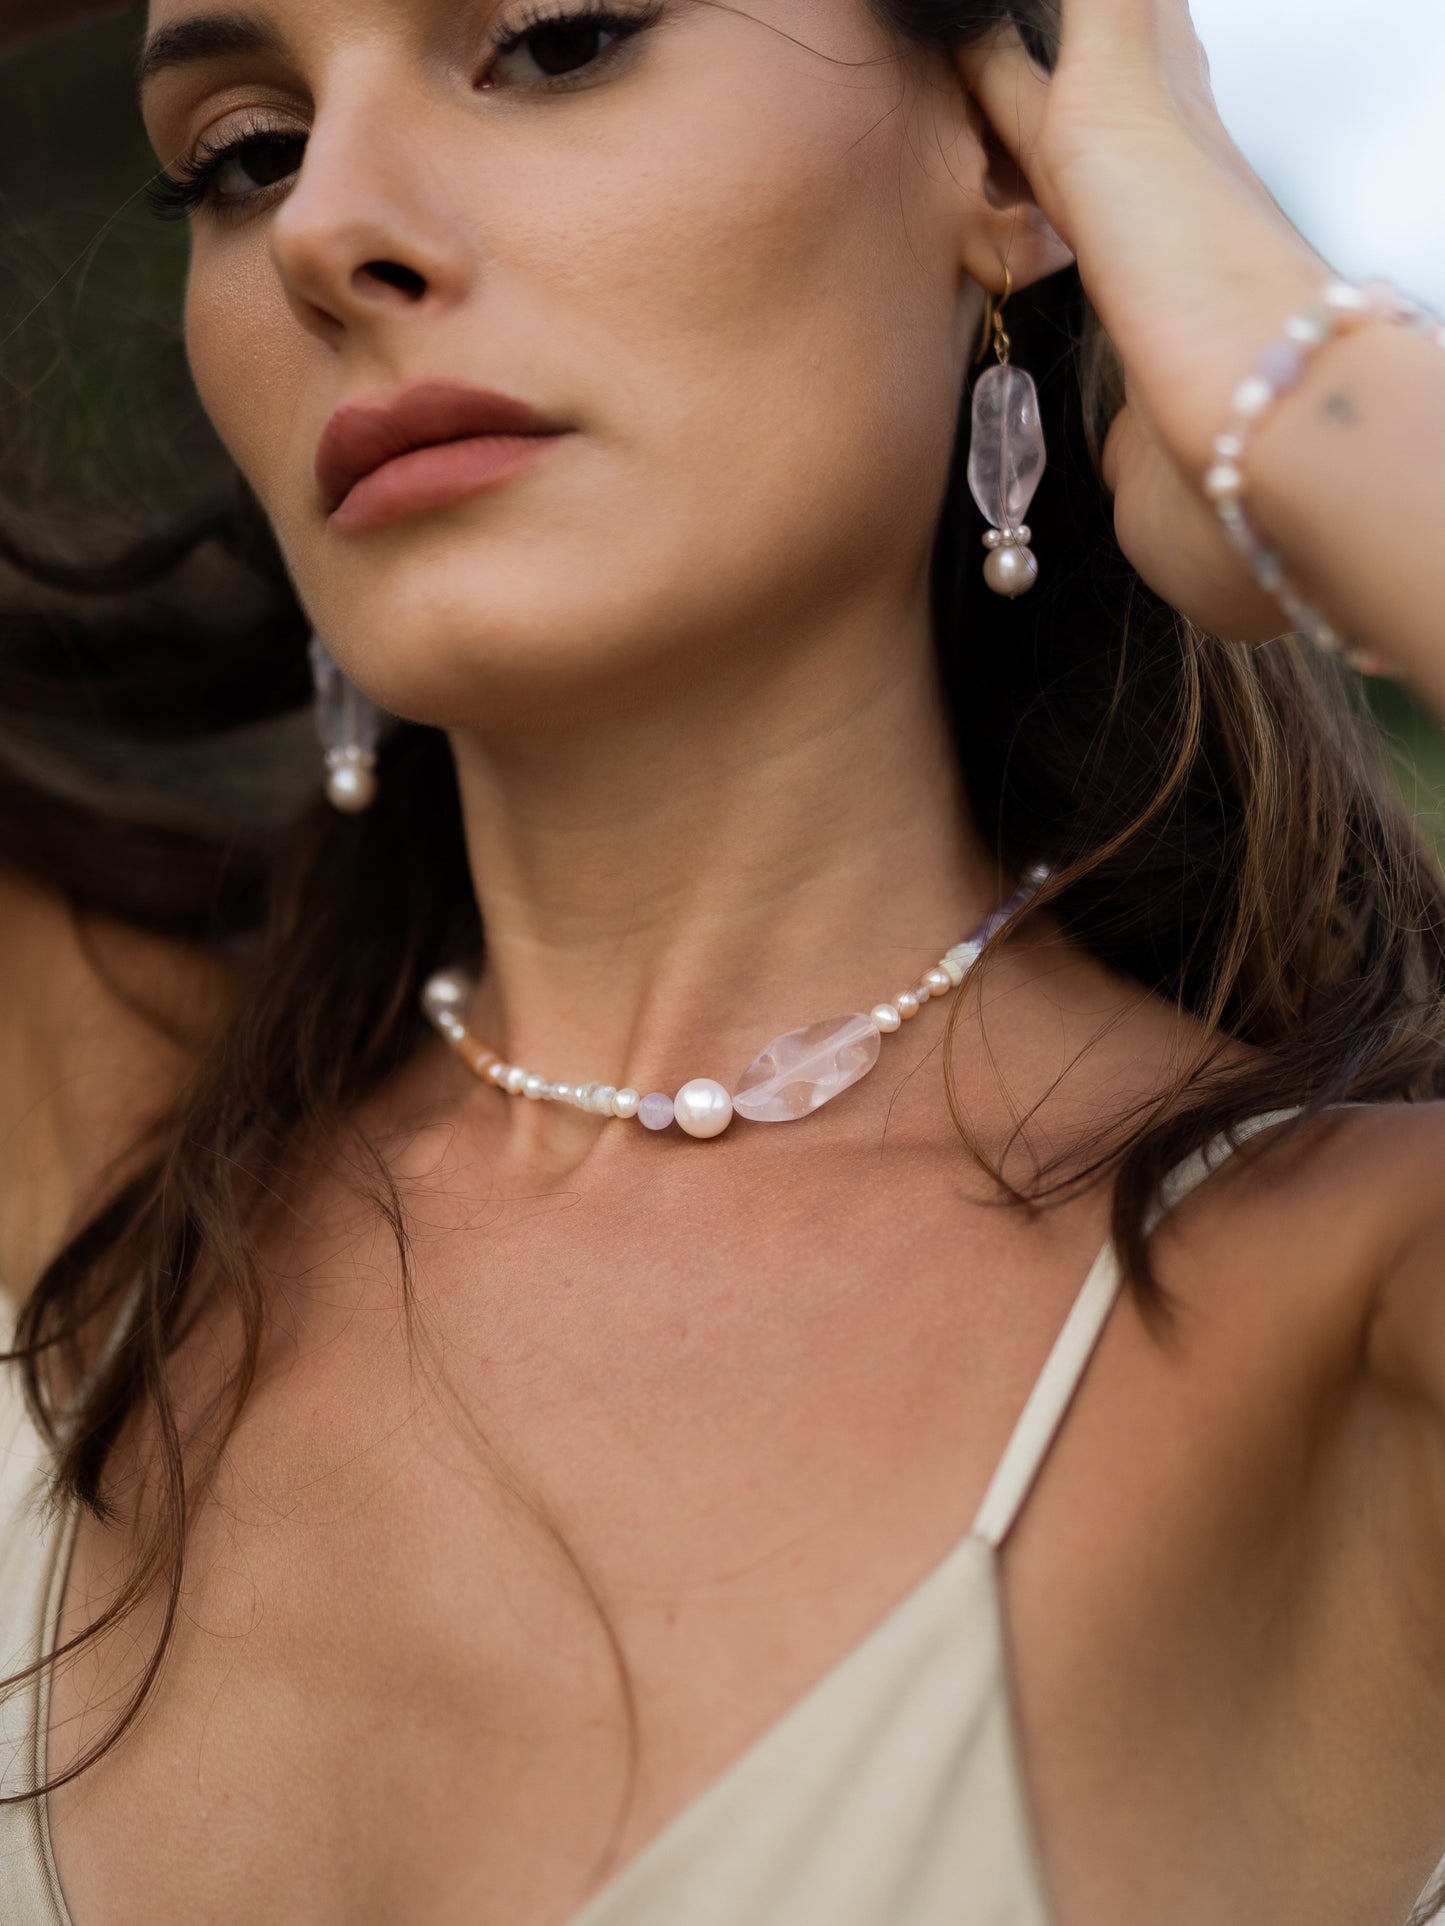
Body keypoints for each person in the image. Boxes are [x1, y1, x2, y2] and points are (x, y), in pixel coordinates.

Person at [2, 0, 1445, 1920]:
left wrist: (1293, 402)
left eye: (556, 39)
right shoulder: (99, 1148)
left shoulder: (1353, 1296)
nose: (326, 227)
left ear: (1009, 164)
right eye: (242, 154)